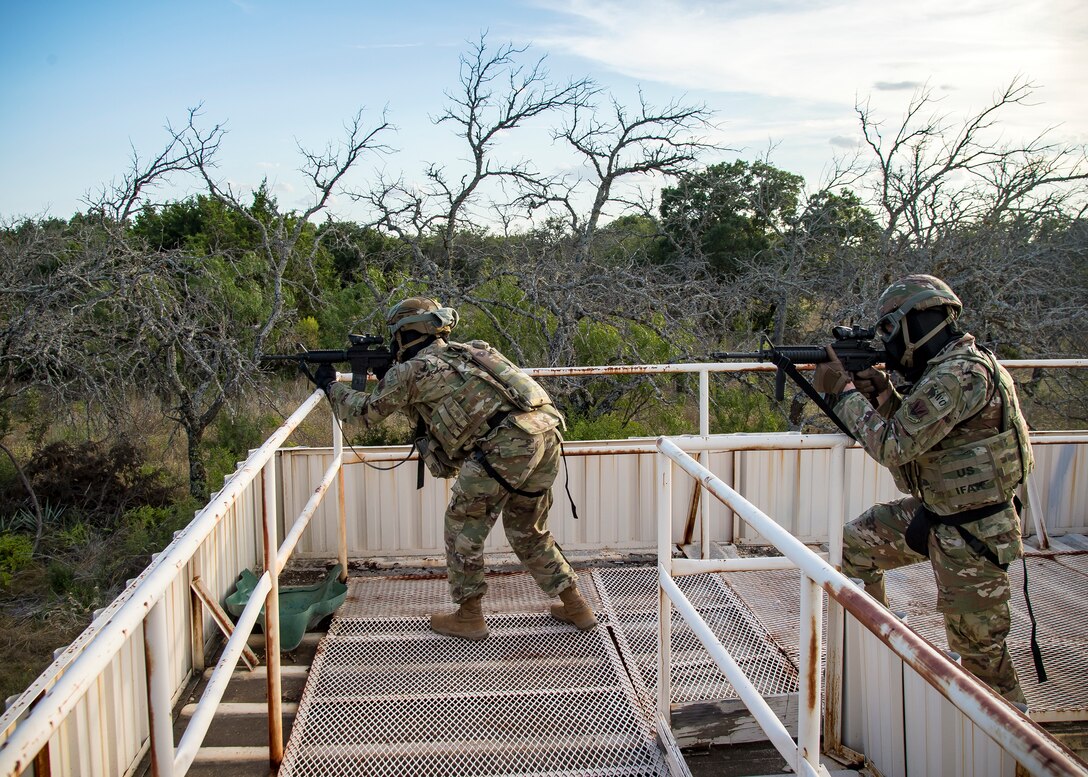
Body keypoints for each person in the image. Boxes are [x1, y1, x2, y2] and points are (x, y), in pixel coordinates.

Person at [309, 296, 597, 641]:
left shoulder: (411, 371)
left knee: (462, 530)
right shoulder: (474, 350)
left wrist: (330, 386)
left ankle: (469, 617)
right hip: (544, 433)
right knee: (527, 528)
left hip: (501, 447)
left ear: (404, 334)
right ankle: (577, 606)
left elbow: (366, 412)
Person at [813, 274, 1033, 704]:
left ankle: (1016, 751)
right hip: (937, 515)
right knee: (855, 544)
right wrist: (886, 396)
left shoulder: (959, 374)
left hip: (974, 534)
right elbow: (928, 429)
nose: (889, 343)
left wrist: (843, 394)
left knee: (981, 654)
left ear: (918, 322)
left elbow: (894, 446)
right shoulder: (954, 368)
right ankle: (878, 644)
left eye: (891, 330)